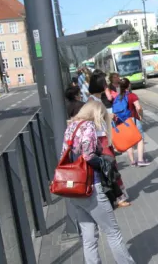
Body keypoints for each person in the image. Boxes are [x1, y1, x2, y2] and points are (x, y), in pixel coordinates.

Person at [63, 101, 136, 264]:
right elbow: (89, 156)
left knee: (89, 237)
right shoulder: (88, 126)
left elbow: (64, 154)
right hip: (91, 188)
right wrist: (104, 163)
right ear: (96, 114)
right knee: (113, 233)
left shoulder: (70, 127)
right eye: (102, 116)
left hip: (74, 188)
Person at [88, 70, 132, 207]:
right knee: (111, 167)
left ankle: (117, 197)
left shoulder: (95, 99)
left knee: (111, 167)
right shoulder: (93, 101)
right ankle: (118, 198)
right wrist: (108, 116)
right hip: (101, 139)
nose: (106, 86)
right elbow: (93, 120)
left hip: (103, 137)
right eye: (104, 84)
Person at [115, 78, 147, 167]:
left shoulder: (117, 97)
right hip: (133, 119)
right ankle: (140, 160)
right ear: (128, 85)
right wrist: (141, 115)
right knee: (139, 139)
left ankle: (133, 161)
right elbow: (138, 107)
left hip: (122, 122)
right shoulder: (132, 95)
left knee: (129, 141)